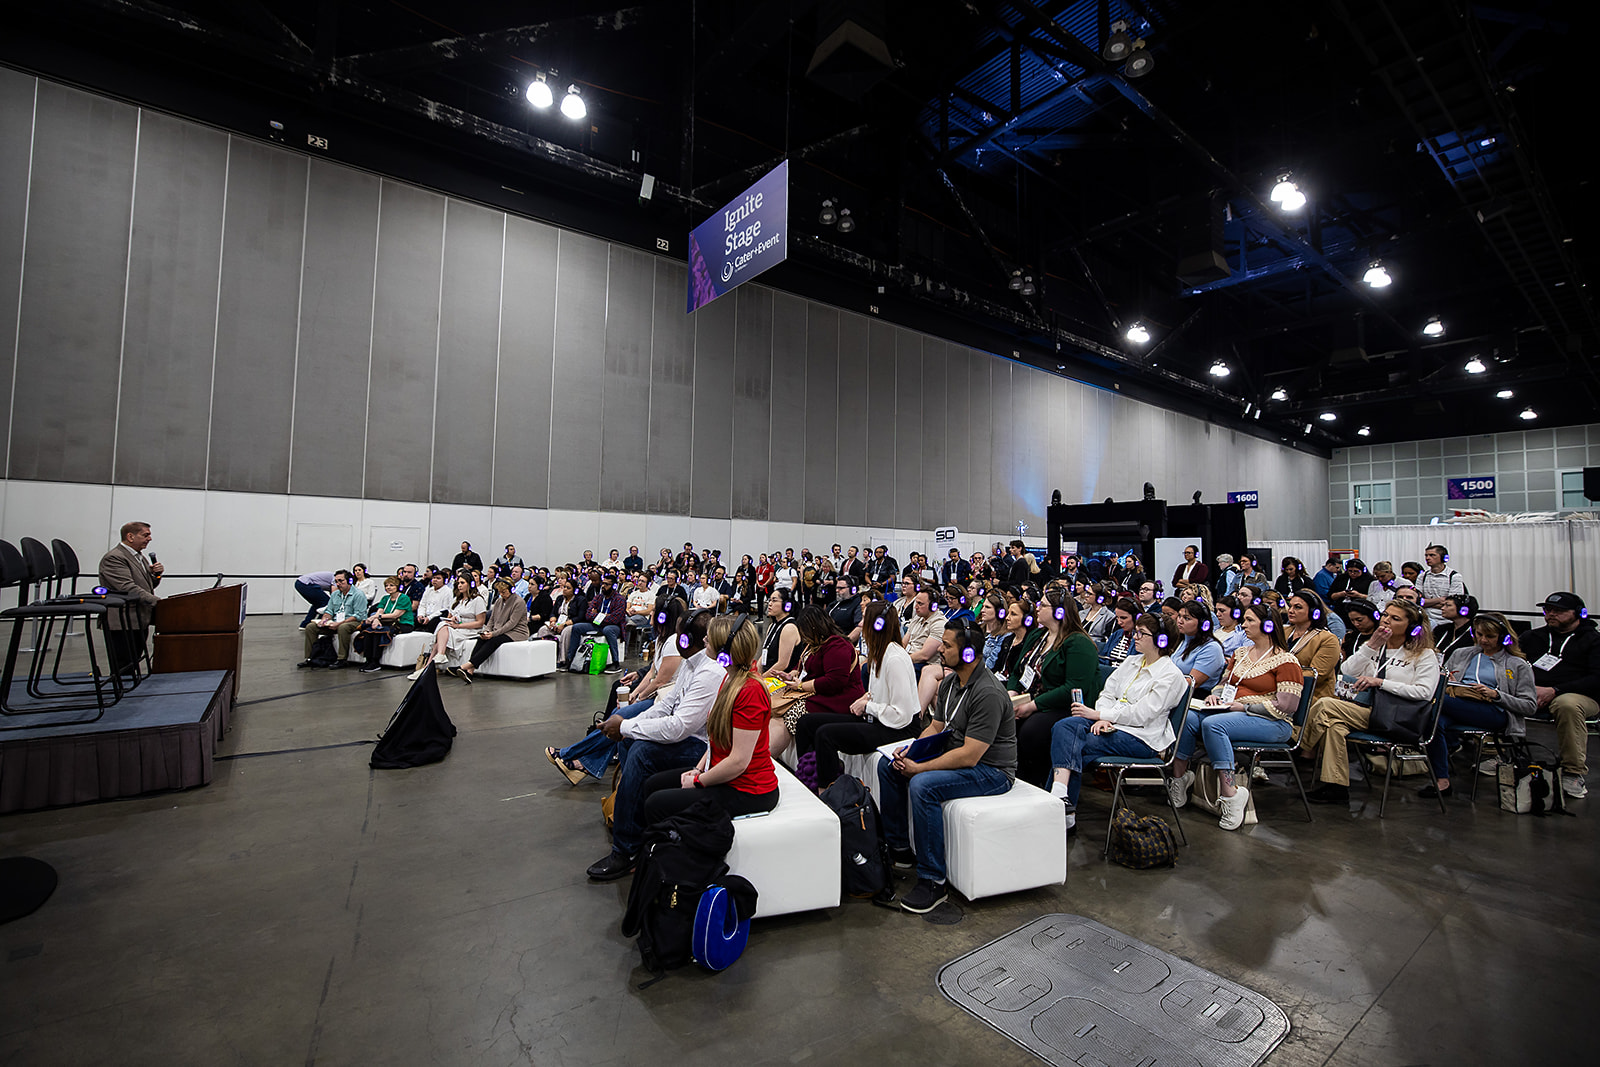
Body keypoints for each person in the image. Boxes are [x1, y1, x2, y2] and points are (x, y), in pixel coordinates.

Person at [879, 622, 1017, 914]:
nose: (940, 649)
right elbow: (936, 726)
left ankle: (933, 880)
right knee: (888, 765)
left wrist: (920, 768)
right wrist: (910, 751)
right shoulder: (953, 683)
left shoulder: (988, 692)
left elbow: (970, 755)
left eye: (947, 645)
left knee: (922, 785)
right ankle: (900, 850)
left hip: (992, 771)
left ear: (968, 654)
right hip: (963, 757)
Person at [585, 611, 726, 881]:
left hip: (702, 747)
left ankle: (625, 851)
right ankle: (632, 821)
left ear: (685, 640)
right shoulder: (690, 663)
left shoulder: (709, 672)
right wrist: (630, 725)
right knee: (630, 743)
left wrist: (625, 726)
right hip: (687, 736)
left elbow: (679, 727)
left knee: (641, 752)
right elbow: (667, 706)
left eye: (678, 634)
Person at [637, 615, 781, 833]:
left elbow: (739, 762)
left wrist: (699, 781)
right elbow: (715, 739)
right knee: (653, 785)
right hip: (728, 775)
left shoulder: (750, 691)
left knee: (657, 804)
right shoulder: (730, 678)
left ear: (725, 648)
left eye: (710, 637)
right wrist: (698, 769)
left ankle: (668, 855)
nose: (704, 639)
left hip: (750, 790)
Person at [1047, 613, 1188, 835]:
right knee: (1065, 727)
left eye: (1142, 634)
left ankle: (1057, 809)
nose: (1135, 637)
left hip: (1142, 738)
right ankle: (1061, 801)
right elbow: (1108, 692)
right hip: (1113, 724)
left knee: (1073, 745)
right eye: (1136, 632)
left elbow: (1142, 715)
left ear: (1161, 640)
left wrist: (1103, 715)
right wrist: (1102, 717)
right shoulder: (1132, 662)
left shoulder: (1171, 676)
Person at [1167, 604, 1304, 829]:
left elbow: (1287, 706)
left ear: (1268, 625)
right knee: (1188, 717)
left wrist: (1244, 707)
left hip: (1273, 721)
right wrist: (1214, 696)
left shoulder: (1286, 660)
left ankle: (1231, 794)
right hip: (1230, 711)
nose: (1244, 625)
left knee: (1213, 725)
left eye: (1250, 620)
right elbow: (1224, 684)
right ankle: (1180, 778)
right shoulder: (1241, 654)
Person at [1298, 600, 1441, 805]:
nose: (1386, 621)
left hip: (1398, 717)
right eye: (1385, 615)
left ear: (1412, 627)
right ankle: (1336, 787)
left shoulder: (1424, 655)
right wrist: (1371, 646)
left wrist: (1381, 682)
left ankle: (1297, 745)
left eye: (1395, 618)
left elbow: (1425, 693)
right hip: (1366, 711)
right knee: (1334, 726)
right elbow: (1346, 671)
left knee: (1325, 704)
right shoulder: (1376, 647)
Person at [547, 599, 689, 783]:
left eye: (654, 612)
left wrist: (638, 698)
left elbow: (661, 679)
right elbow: (652, 673)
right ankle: (585, 764)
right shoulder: (662, 640)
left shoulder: (672, 642)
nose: (650, 614)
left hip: (662, 699)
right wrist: (634, 693)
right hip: (654, 694)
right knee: (618, 711)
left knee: (620, 716)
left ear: (663, 617)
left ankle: (568, 754)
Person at [1421, 613, 1535, 798]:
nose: (1483, 640)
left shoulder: (1517, 664)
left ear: (1504, 638)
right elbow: (1440, 680)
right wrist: (1448, 682)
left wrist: (1496, 695)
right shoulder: (1461, 654)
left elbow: (1529, 706)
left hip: (1495, 711)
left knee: (1432, 703)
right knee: (1433, 722)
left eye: (1489, 636)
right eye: (1479, 634)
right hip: (1457, 704)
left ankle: (1406, 729)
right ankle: (1442, 780)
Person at [1005, 589, 1105, 788]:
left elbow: (1073, 687)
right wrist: (1012, 694)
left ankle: (1036, 784)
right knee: (1001, 716)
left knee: (1031, 730)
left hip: (1064, 706)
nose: (1037, 609)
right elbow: (1018, 671)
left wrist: (1033, 705)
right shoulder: (1038, 635)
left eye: (1042, 605)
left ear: (1059, 612)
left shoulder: (1078, 642)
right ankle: (1007, 776)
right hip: (1030, 697)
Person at [1517, 592, 1600, 799]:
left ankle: (1573, 772)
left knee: (1567, 705)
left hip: (1578, 695)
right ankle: (1494, 755)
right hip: (1533, 691)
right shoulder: (1532, 637)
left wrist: (1555, 690)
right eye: (1548, 610)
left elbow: (1597, 678)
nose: (1551, 614)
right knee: (1496, 692)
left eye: (1559, 611)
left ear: (1580, 613)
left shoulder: (1593, 640)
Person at [782, 607, 870, 761]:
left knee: (792, 712)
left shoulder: (837, 645)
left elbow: (834, 681)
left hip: (839, 699)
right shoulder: (815, 644)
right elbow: (804, 667)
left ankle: (805, 766)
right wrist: (793, 674)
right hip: (821, 695)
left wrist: (801, 686)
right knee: (780, 708)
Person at [96, 521, 165, 675]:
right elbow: (128, 588)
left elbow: (147, 585)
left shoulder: (139, 557)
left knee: (133, 662)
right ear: (130, 536)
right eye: (145, 535)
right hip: (123, 621)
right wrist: (161, 603)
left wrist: (156, 575)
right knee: (124, 667)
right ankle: (123, 695)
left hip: (139, 618)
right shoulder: (114, 558)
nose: (150, 539)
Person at [407, 575, 487, 679]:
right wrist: (452, 619)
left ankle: (428, 666)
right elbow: (449, 617)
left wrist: (458, 625)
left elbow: (480, 623)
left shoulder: (478, 600)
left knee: (442, 628)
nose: (459, 586)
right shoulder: (456, 600)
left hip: (471, 629)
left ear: (470, 584)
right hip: (456, 627)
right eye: (458, 583)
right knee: (443, 625)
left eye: (462, 583)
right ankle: (435, 659)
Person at [456, 578, 529, 682]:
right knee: (481, 639)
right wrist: (486, 631)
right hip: (500, 630)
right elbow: (492, 619)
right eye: (500, 592)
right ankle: (470, 671)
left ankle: (466, 665)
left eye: (504, 592)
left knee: (493, 641)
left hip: (516, 632)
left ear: (512, 590)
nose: (501, 594)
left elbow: (511, 624)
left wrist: (493, 634)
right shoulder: (499, 601)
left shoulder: (519, 602)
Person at [299, 569, 367, 669]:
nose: (338, 584)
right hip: (336, 621)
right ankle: (310, 658)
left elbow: (358, 615)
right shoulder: (335, 595)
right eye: (336, 581)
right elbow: (329, 611)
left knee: (343, 627)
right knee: (311, 627)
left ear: (349, 581)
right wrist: (324, 620)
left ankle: (341, 659)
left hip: (354, 622)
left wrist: (339, 624)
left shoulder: (358, 595)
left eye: (341, 581)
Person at [1284, 590, 1341, 705]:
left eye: (1297, 607)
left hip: (1311, 698)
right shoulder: (1283, 631)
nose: (1290, 611)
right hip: (1280, 692)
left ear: (1313, 612)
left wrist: (1278, 676)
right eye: (1290, 606)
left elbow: (1315, 675)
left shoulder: (1328, 639)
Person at [567, 573, 627, 674]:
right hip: (597, 624)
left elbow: (615, 619)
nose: (603, 586)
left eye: (607, 584)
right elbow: (588, 615)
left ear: (613, 586)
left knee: (607, 630)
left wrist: (598, 615)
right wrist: (604, 616)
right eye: (603, 584)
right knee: (577, 627)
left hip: (614, 627)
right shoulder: (598, 597)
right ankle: (571, 659)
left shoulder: (620, 599)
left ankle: (615, 663)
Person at [902, 589, 951, 712]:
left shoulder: (939, 624)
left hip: (924, 664)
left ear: (933, 606)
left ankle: (913, 714)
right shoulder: (917, 619)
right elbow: (903, 643)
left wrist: (901, 659)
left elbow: (925, 655)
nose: (916, 607)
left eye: (920, 604)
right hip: (910, 658)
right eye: (915, 603)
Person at [355, 575, 414, 671]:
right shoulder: (385, 598)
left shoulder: (404, 598)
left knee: (379, 632)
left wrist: (376, 617)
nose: (388, 588)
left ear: (398, 586)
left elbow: (395, 615)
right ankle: (368, 659)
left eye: (391, 585)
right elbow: (380, 612)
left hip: (403, 623)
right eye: (386, 586)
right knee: (368, 631)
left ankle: (375, 661)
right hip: (387, 622)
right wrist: (376, 620)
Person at [1172, 600, 1227, 698]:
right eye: (1179, 616)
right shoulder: (1182, 641)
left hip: (1194, 697)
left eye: (1187, 618)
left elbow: (1192, 683)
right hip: (1174, 693)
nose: (1180, 621)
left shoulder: (1212, 648)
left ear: (1203, 624)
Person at [1417, 544, 1467, 627]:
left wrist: (1426, 602)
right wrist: (1440, 600)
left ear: (1443, 558)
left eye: (1432, 555)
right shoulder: (1422, 576)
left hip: (1446, 620)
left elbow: (1453, 604)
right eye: (1426, 555)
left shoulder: (1454, 576)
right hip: (1426, 619)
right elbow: (1418, 601)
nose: (1427, 558)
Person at [760, 588, 802, 677]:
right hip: (768, 675)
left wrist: (761, 679)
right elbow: (764, 654)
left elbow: (782, 664)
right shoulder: (772, 626)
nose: (770, 604)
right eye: (769, 600)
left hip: (782, 678)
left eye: (774, 600)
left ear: (786, 604)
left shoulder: (789, 628)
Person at [1432, 594, 1478, 661]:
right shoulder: (1441, 629)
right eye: (1443, 605)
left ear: (1463, 610)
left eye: (1448, 605)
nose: (1442, 608)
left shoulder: (1474, 633)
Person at [1098, 598, 1141, 666]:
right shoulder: (1117, 634)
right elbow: (1104, 658)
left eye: (1123, 618)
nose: (1119, 622)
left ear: (1137, 617)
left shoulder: (1143, 638)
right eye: (1117, 617)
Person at [977, 593, 1013, 671]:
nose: (982, 610)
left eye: (987, 607)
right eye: (983, 607)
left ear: (1000, 612)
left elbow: (990, 665)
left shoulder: (1005, 636)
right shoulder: (977, 628)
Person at [827, 577, 865, 642]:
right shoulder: (836, 603)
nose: (837, 590)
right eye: (836, 588)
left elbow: (859, 628)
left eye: (841, 588)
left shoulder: (858, 604)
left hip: (843, 642)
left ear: (852, 589)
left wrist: (845, 643)